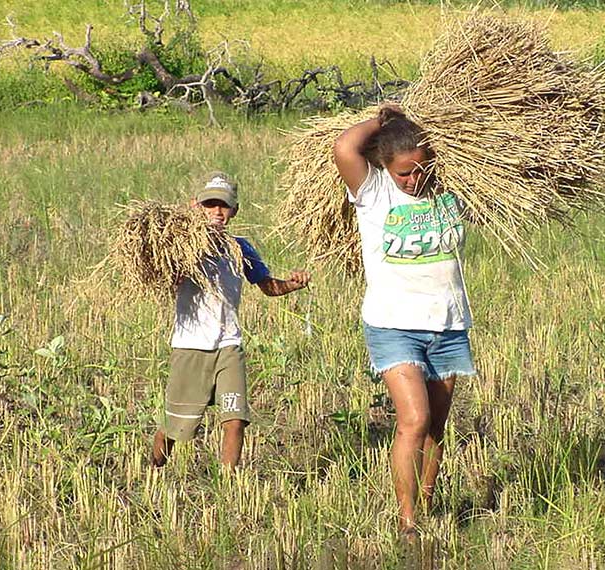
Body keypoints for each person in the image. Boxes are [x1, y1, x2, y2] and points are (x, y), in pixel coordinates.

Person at [332, 106, 476, 534]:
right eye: (404, 174)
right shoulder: (375, 194)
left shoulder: (451, 193)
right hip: (393, 325)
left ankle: (427, 502)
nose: (413, 180)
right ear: (385, 168)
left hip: (448, 324)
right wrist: (387, 119)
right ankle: (407, 520)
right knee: (413, 420)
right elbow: (344, 147)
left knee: (436, 426)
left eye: (420, 170)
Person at [151, 172, 310, 470]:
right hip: (191, 347)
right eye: (210, 204)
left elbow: (268, 286)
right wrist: (185, 251)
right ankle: (155, 470)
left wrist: (293, 283)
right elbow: (167, 279)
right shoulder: (182, 248)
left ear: (234, 210)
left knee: (235, 420)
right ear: (196, 206)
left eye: (223, 206)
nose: (217, 211)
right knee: (176, 428)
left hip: (229, 345)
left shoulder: (241, 248)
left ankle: (230, 486)